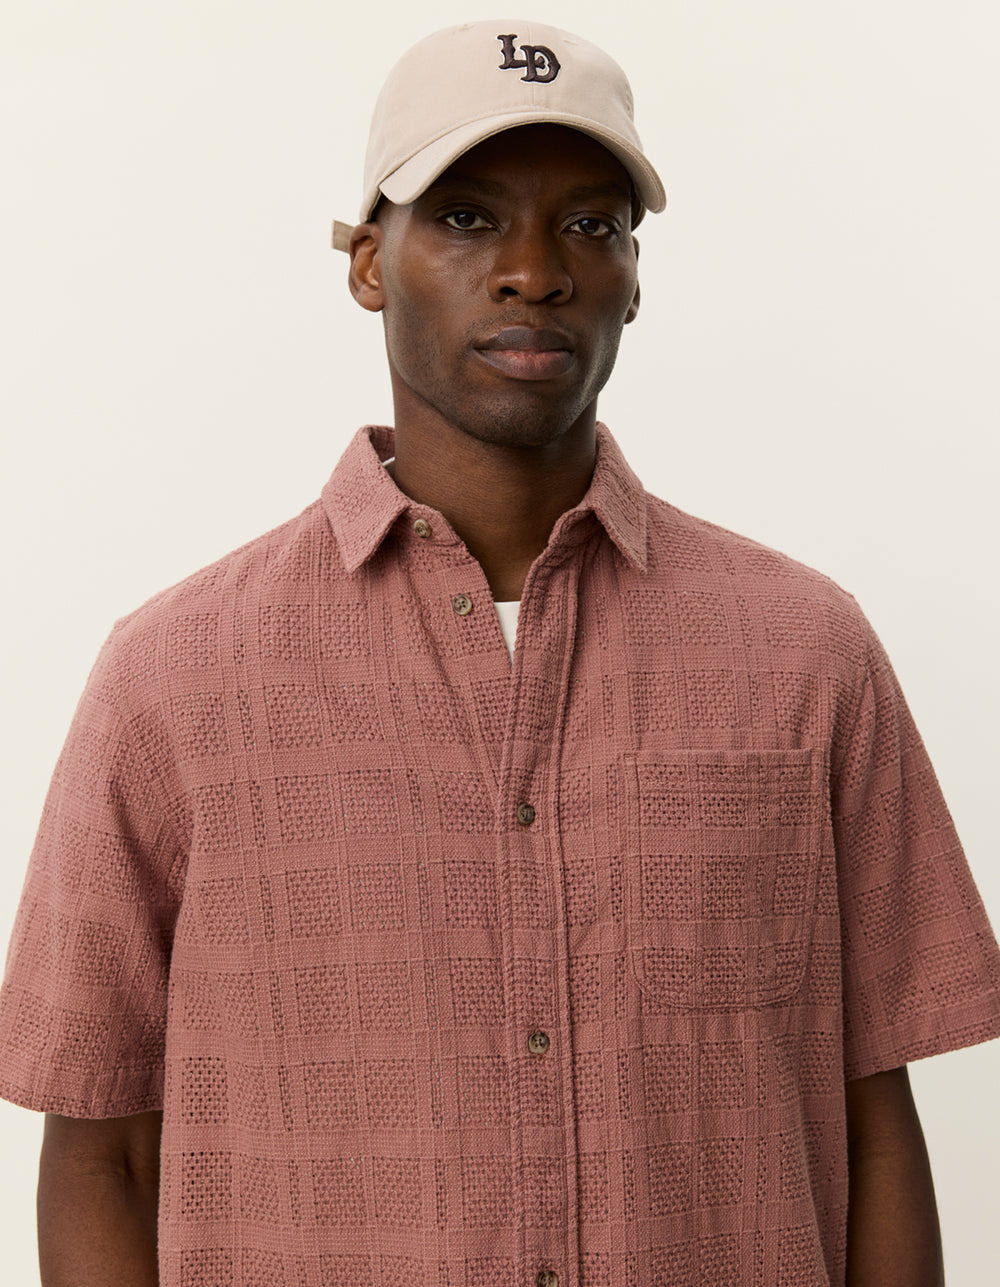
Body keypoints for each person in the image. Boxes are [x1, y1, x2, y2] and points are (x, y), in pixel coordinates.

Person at [1, 17, 998, 1287]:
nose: (533, 271)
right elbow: (100, 1152)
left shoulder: (804, 654)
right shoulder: (173, 678)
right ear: (370, 262)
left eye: (588, 223)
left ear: (634, 276)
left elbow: (872, 1120)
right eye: (467, 218)